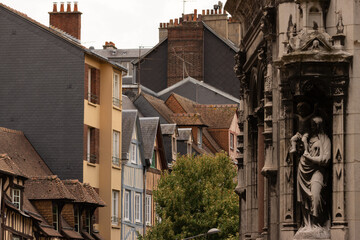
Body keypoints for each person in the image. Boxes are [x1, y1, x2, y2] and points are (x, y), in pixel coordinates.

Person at [297, 116, 331, 228]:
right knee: (304, 200)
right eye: (311, 125)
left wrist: (310, 158)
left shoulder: (325, 139)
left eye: (314, 125)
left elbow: (325, 160)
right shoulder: (308, 138)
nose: (312, 127)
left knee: (315, 195)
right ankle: (308, 225)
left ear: (319, 126)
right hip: (303, 170)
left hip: (317, 171)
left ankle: (317, 224)